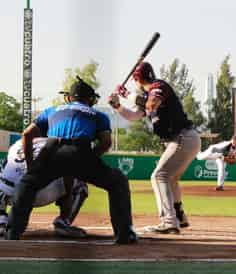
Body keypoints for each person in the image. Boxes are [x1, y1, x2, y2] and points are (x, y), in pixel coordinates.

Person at [4, 76, 137, 244]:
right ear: (90, 99)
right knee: (118, 181)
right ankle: (124, 235)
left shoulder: (51, 110)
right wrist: (88, 161)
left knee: (27, 184)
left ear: (69, 97)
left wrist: (32, 167)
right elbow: (106, 143)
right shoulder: (98, 115)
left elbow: (26, 135)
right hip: (80, 150)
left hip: (51, 150)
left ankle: (12, 233)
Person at [108, 62, 200, 234]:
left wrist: (126, 94)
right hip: (185, 139)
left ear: (137, 79)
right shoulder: (147, 94)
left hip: (182, 137)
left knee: (159, 176)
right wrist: (117, 106)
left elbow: (151, 104)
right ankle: (179, 216)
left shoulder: (158, 86)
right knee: (170, 178)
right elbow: (134, 115)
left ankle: (168, 221)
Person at [0, 138, 88, 238]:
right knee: (80, 183)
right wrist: (68, 196)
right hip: (43, 194)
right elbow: (68, 172)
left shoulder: (17, 144)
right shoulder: (60, 144)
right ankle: (63, 222)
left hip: (13, 196)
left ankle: (1, 219)